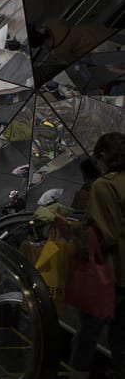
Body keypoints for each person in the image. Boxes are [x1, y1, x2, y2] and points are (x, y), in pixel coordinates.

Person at [68, 132, 125, 379]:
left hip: (110, 274)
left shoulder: (104, 186)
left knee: (87, 333)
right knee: (121, 338)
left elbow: (104, 234)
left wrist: (70, 227)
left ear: (103, 156)